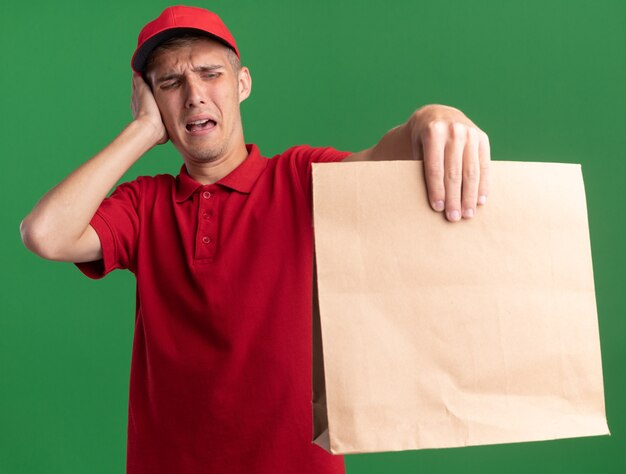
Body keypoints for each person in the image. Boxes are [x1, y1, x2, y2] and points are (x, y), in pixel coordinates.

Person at [20, 5, 490, 474]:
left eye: (210, 74)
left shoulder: (300, 176)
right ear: (153, 104)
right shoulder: (144, 205)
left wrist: (431, 117)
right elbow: (46, 233)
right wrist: (142, 131)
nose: (194, 95)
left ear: (242, 83)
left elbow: (391, 157)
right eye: (170, 84)